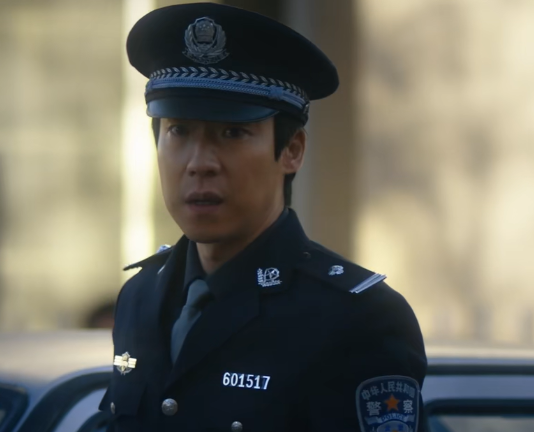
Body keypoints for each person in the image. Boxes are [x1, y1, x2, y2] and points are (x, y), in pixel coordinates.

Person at [100, 3, 427, 431]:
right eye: (178, 130)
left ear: (292, 150)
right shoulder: (141, 296)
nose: (199, 163)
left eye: (232, 133)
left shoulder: (357, 319)